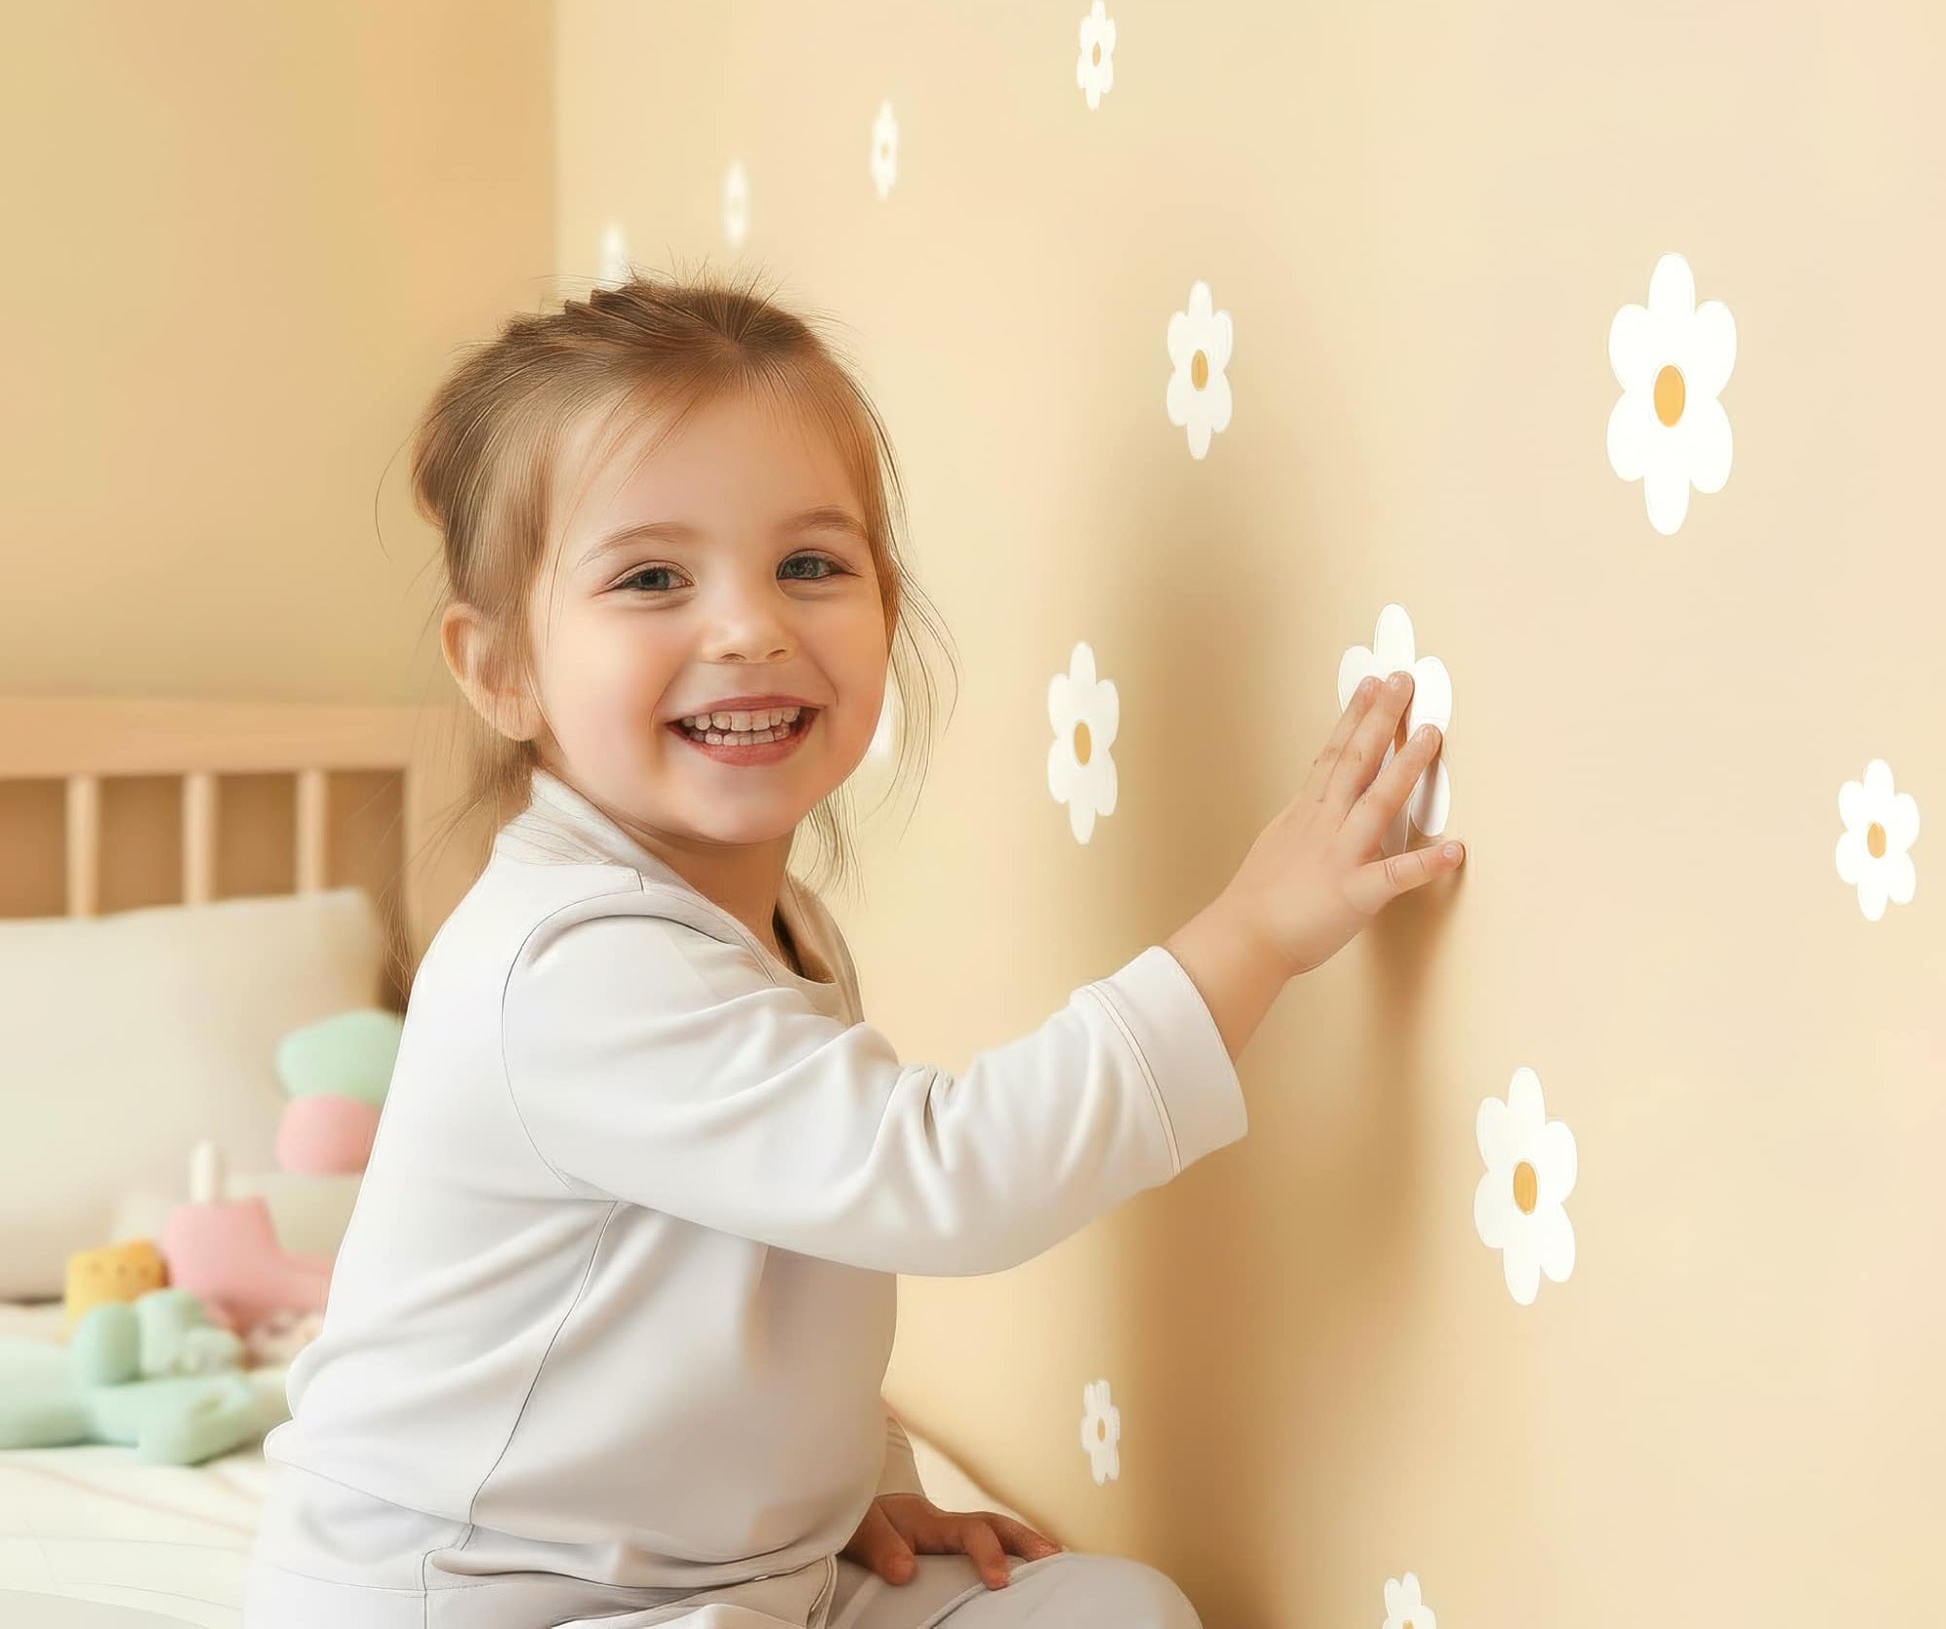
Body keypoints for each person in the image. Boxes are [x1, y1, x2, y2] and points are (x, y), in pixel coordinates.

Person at [242, 270, 1464, 1629]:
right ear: (501, 669)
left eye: (810, 565)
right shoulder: (568, 969)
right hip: (485, 1599)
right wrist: (1254, 933)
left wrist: (850, 1485)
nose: (750, 624)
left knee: (1116, 1608)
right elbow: (942, 1176)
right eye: (652, 577)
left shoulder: (766, 921)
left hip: (723, 1578)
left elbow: (771, 1267)